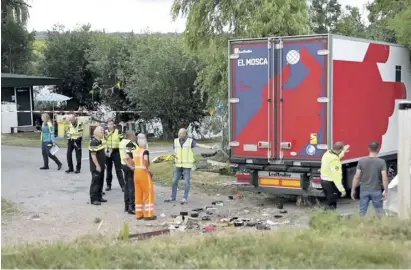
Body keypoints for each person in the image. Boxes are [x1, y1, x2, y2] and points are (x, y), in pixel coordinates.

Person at [165, 128, 216, 204]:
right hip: (178, 165)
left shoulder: (190, 141)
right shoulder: (175, 141)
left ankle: (184, 198)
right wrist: (173, 154)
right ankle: (173, 197)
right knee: (174, 181)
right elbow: (174, 150)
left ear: (185, 134)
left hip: (187, 166)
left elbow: (199, 145)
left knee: (186, 182)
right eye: (179, 133)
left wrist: (210, 147)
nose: (179, 134)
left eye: (181, 133)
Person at [351, 141, 388, 216]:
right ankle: (381, 226)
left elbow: (357, 176)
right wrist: (386, 191)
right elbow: (385, 178)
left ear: (368, 149)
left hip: (364, 189)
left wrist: (353, 189)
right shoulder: (381, 162)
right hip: (376, 189)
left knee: (362, 211)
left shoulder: (361, 161)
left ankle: (361, 225)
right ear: (378, 149)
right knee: (379, 211)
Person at [125, 133, 156, 220]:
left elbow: (127, 157)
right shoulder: (145, 151)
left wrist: (132, 166)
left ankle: (139, 214)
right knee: (148, 193)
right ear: (144, 142)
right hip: (143, 173)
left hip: (136, 173)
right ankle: (148, 214)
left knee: (138, 194)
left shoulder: (135, 151)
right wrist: (147, 169)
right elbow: (146, 160)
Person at [320, 141, 350, 210]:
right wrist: (342, 190)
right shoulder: (335, 161)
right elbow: (337, 177)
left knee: (329, 200)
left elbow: (336, 156)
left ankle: (327, 217)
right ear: (340, 150)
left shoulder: (327, 153)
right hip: (330, 183)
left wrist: (344, 151)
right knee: (332, 203)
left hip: (323, 181)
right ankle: (328, 217)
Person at [119, 130, 138, 214]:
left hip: (123, 165)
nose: (135, 136)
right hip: (129, 166)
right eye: (134, 135)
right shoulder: (130, 143)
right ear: (131, 135)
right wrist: (131, 166)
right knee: (131, 188)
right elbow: (128, 156)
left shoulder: (122, 142)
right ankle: (131, 207)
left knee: (127, 187)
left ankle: (126, 206)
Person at [104, 119, 125, 191]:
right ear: (107, 125)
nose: (110, 126)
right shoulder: (105, 132)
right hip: (108, 151)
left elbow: (122, 141)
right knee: (108, 170)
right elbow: (103, 140)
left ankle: (123, 186)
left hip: (116, 151)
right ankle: (108, 185)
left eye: (111, 124)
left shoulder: (118, 131)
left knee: (118, 169)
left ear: (114, 125)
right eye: (109, 124)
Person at [89, 126, 107, 206]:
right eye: (101, 131)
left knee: (100, 182)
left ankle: (99, 196)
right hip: (96, 167)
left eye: (103, 131)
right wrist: (97, 166)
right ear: (96, 133)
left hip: (102, 165)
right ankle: (94, 199)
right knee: (95, 182)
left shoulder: (100, 141)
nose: (103, 133)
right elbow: (93, 155)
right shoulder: (93, 142)